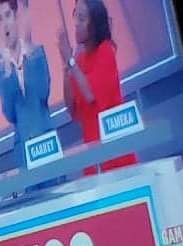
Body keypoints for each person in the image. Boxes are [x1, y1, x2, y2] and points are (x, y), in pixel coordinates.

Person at [59, 0, 139, 173]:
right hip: (93, 156)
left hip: (115, 153)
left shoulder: (106, 50)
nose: (76, 24)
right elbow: (72, 110)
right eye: (75, 16)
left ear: (94, 24)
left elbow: (91, 94)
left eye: (82, 19)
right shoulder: (80, 61)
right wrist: (66, 71)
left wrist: (71, 62)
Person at [0, 0, 54, 170]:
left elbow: (43, 93)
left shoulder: (37, 53)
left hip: (46, 143)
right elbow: (10, 114)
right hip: (24, 152)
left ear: (16, 16)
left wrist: (29, 57)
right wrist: (8, 71)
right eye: (0, 19)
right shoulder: (1, 70)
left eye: (7, 15)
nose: (5, 24)